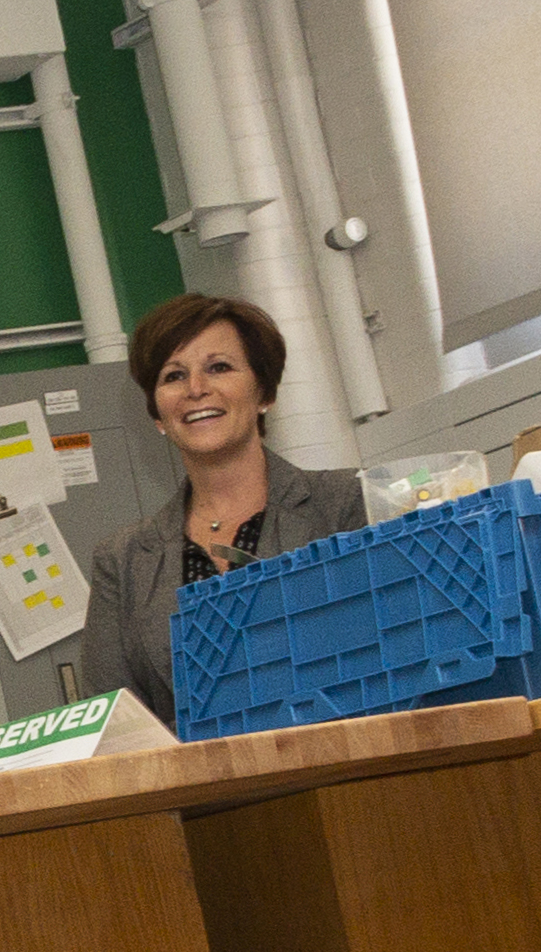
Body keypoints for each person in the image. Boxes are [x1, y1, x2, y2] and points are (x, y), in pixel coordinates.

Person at [99, 291, 368, 730]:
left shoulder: (346, 504)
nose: (196, 389)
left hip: (346, 781)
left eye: (219, 367)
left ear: (264, 392)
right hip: (209, 795)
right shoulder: (122, 561)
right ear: (157, 416)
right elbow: (117, 727)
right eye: (173, 376)